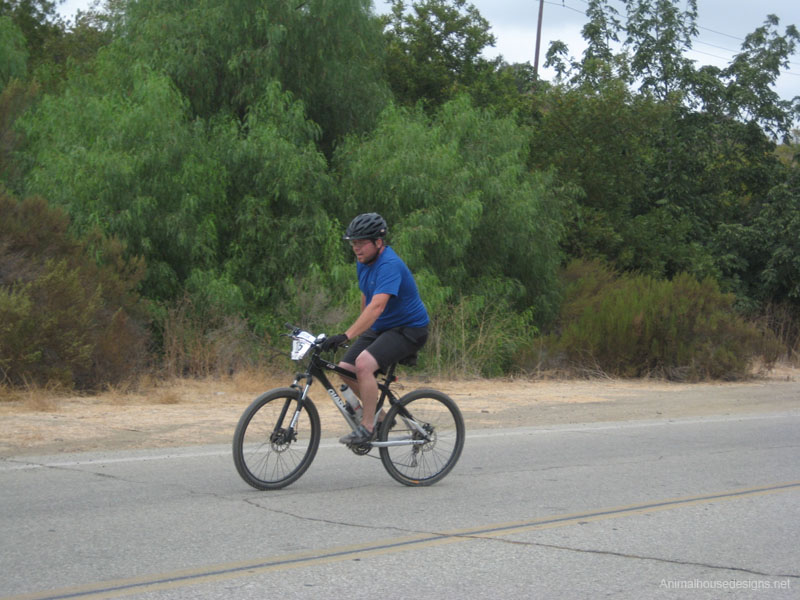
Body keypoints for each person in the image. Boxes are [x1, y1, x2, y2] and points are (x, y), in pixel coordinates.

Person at [321, 212, 429, 445]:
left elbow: (378, 306)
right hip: (383, 326)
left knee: (363, 365)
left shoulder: (389, 265)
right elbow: (367, 300)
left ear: (378, 242)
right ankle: (380, 417)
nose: (356, 249)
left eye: (361, 243)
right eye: (353, 244)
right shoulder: (364, 263)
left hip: (409, 329)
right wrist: (357, 334)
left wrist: (346, 334)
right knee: (345, 368)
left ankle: (367, 426)